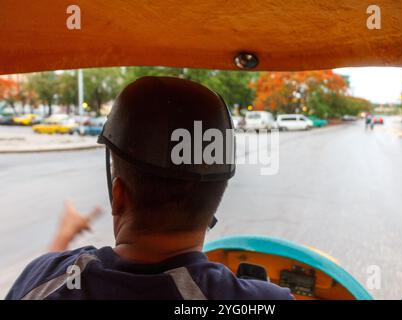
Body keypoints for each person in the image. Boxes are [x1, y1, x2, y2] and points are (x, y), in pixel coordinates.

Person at [6, 76, 292, 300]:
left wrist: (64, 235)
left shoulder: (43, 281)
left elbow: (45, 275)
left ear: (119, 196)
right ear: (216, 197)